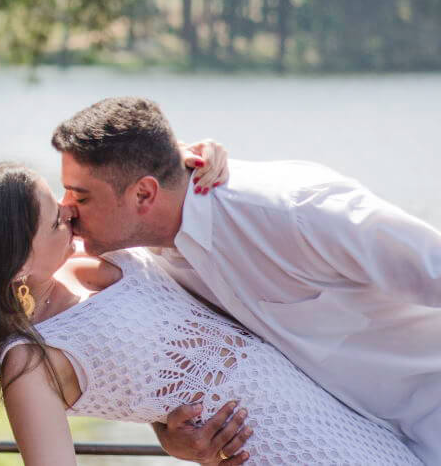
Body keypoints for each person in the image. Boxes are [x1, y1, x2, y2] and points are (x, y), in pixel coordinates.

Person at [0, 162, 423, 465]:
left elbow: (145, 186)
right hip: (280, 453)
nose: (71, 210)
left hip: (349, 423)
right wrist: (168, 436)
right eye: (56, 218)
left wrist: (199, 161)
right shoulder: (30, 364)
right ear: (16, 267)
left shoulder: (91, 254)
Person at [51, 96, 441, 464]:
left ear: (144, 194)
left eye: (80, 197)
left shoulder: (297, 211)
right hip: (359, 444)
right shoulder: (138, 259)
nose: (65, 209)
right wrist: (169, 433)